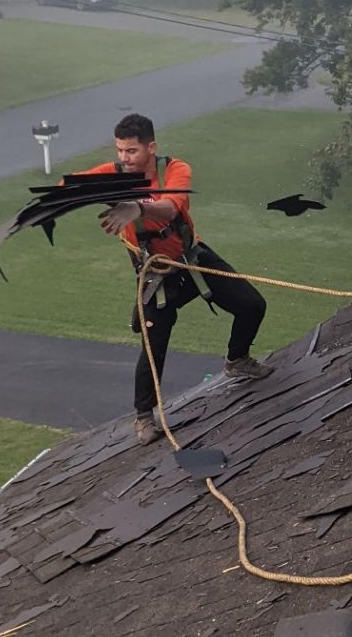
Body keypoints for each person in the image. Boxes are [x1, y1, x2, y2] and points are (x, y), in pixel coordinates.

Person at [81, 113, 272, 445]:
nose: (124, 159)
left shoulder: (175, 170)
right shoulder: (112, 175)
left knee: (252, 305)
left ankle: (237, 359)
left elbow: (170, 208)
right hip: (156, 277)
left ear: (151, 147)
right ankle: (143, 417)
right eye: (120, 151)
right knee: (153, 349)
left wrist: (137, 207)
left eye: (132, 151)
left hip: (192, 260)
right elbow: (68, 188)